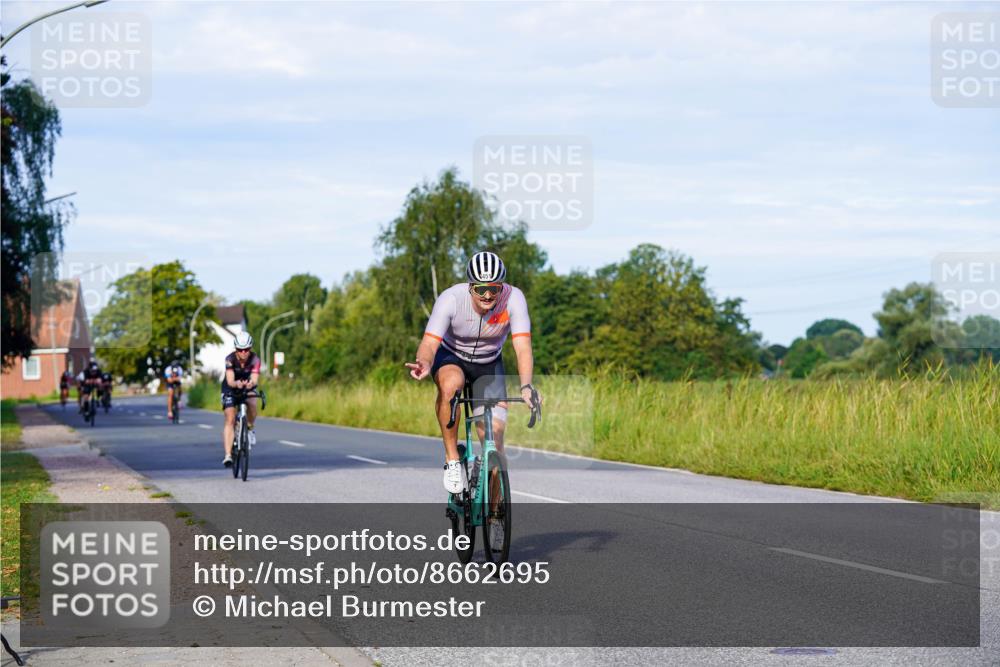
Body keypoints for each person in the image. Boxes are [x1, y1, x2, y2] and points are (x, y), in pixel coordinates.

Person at [405, 251, 540, 494]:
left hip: (489, 364)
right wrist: (424, 361)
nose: (488, 295)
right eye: (481, 289)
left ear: (501, 286)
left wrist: (526, 386)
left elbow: (522, 347)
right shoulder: (451, 299)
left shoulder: (514, 298)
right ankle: (452, 459)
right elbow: (429, 343)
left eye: (494, 289)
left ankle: (495, 508)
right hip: (452, 357)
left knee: (495, 442)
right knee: (451, 385)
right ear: (470, 287)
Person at [221, 332, 260, 467]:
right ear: (236, 349)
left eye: (246, 349)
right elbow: (230, 380)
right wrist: (236, 384)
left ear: (250, 348)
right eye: (240, 349)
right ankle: (228, 455)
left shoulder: (255, 359)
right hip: (230, 388)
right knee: (230, 418)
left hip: (246, 386)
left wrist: (251, 384)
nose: (243, 352)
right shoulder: (230, 359)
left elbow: (254, 379)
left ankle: (249, 428)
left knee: (253, 401)